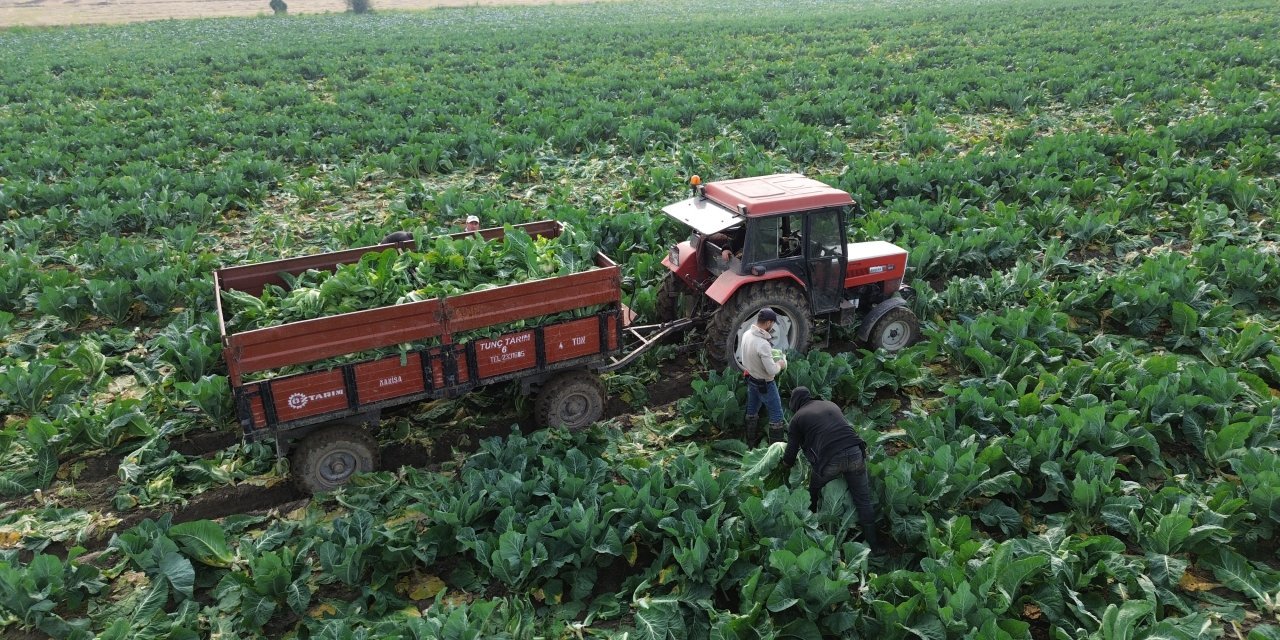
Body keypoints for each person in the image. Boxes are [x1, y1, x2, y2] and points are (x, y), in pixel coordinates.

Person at [781, 386, 880, 551]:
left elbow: (791, 451)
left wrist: (784, 466)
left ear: (794, 403)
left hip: (830, 459)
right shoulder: (830, 404)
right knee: (863, 500)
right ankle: (875, 546)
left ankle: (809, 535)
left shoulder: (798, 418)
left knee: (812, 493)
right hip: (856, 451)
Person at [740, 308, 787, 445]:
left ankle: (750, 442)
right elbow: (771, 370)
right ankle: (775, 450)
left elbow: (745, 358)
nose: (772, 326)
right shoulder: (763, 344)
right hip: (765, 385)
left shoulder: (747, 334)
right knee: (777, 416)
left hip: (751, 380)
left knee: (752, 411)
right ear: (768, 323)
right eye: (772, 323)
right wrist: (780, 364)